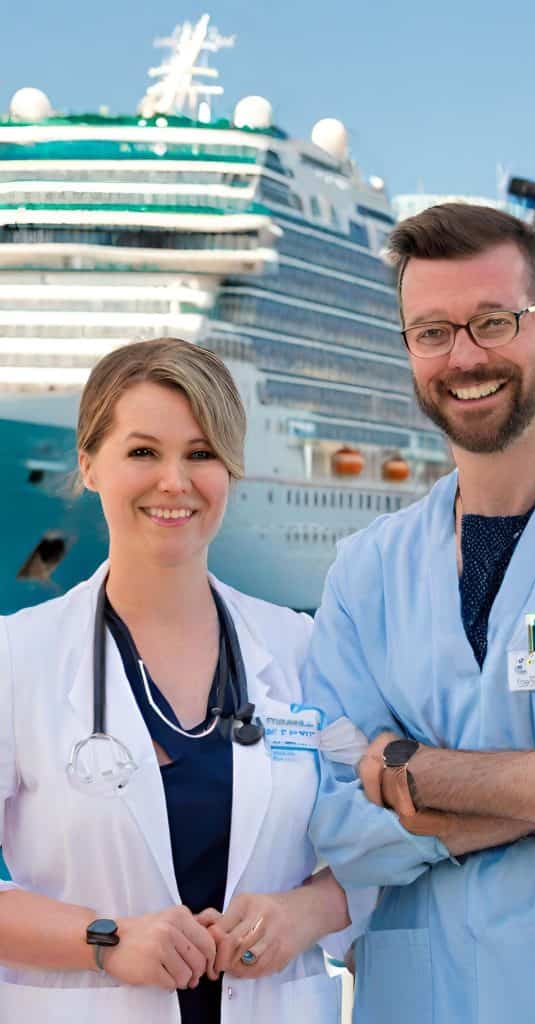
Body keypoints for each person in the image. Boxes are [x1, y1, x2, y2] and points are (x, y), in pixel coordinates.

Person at [305, 203, 535, 1023]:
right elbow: (332, 819)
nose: (463, 356)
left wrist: (420, 771)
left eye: (492, 321)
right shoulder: (366, 569)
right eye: (431, 332)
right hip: (414, 1000)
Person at [0, 338, 371, 1023]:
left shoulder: (299, 647)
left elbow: (402, 821)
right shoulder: (16, 658)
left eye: (201, 454)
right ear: (88, 464)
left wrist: (306, 911)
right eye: (143, 452)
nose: (175, 481)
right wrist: (104, 941)